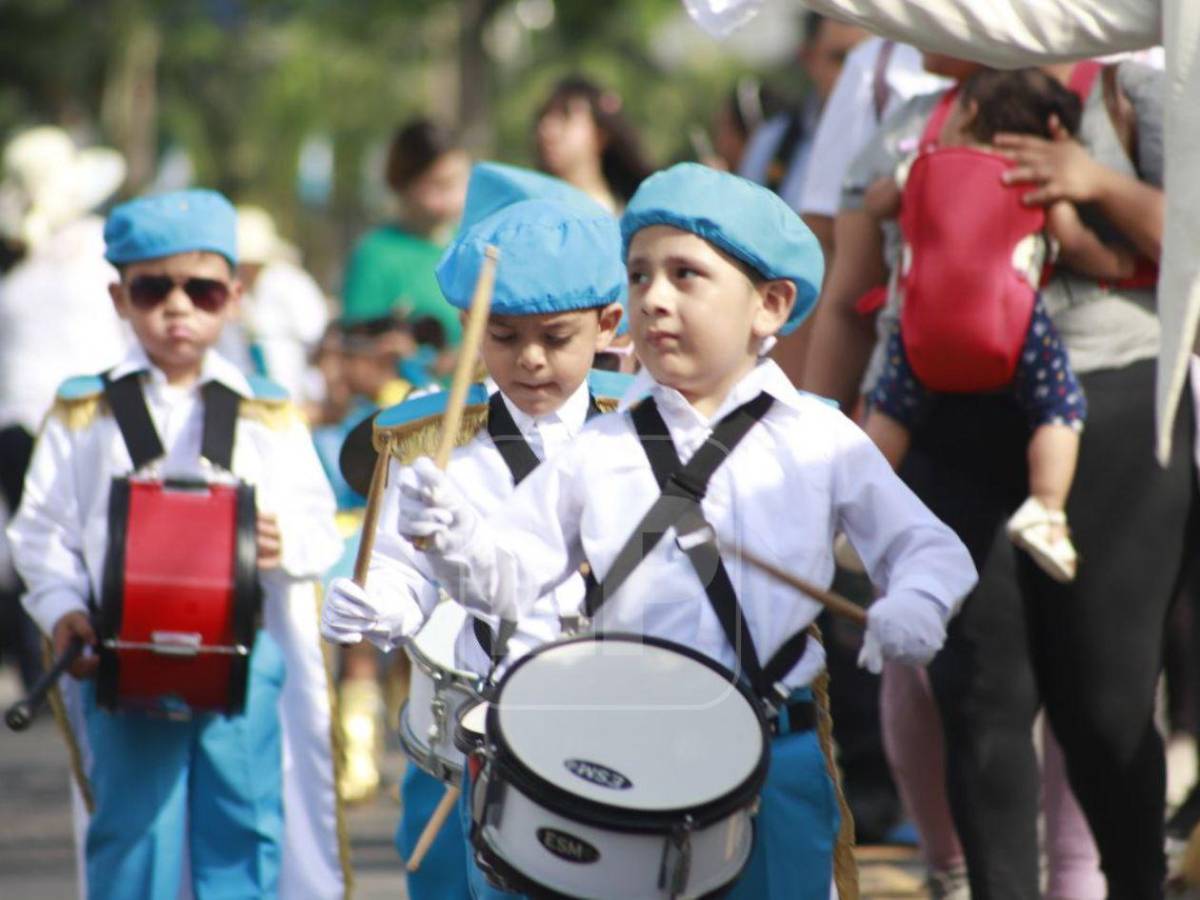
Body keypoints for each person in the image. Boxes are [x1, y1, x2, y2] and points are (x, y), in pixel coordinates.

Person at [395, 162, 977, 898]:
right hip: (621, 760)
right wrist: (453, 541)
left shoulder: (821, 438)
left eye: (685, 276)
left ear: (769, 304)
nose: (654, 299)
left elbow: (930, 548)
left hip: (775, 763)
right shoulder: (596, 449)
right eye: (638, 277)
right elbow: (508, 576)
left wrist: (917, 604)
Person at [809, 50, 1185, 897]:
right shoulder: (904, 130)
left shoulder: (1135, 93)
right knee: (978, 701)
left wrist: (1092, 180)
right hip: (949, 426)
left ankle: (1133, 884)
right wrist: (805, 446)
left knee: (1105, 704)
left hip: (1110, 418)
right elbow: (848, 296)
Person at [6, 189, 346, 899]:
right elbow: (41, 531)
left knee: (244, 829)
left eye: (204, 289)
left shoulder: (267, 412)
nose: (178, 308)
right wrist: (63, 604)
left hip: (244, 660)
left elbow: (320, 526)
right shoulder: (83, 412)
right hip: (124, 663)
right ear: (118, 296)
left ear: (235, 295)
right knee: (135, 841)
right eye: (153, 288)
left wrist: (282, 542)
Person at [321, 164, 627, 900]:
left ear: (607, 326)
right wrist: (382, 604)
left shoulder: (639, 429)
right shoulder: (435, 438)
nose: (529, 358)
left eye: (555, 337)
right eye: (505, 335)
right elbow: (403, 569)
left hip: (615, 727)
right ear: (469, 326)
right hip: (479, 726)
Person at [861, 68, 1140, 582]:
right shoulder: (1033, 179)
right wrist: (1120, 265)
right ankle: (1047, 510)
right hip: (1012, 324)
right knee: (1058, 404)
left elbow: (877, 205)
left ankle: (860, 516)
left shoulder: (921, 164)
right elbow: (1075, 245)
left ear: (967, 112)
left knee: (892, 405)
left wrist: (897, 190)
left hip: (920, 323)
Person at [0, 126, 130, 693]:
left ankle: (45, 665)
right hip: (76, 415)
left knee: (45, 539)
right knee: (72, 538)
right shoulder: (97, 247)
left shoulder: (23, 260)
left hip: (50, 417)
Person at [343, 118, 470, 347]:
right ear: (405, 182)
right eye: (439, 185)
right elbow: (358, 344)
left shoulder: (474, 246)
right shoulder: (377, 253)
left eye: (459, 181)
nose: (453, 196)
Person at [737, 13, 869, 211]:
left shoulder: (894, 138)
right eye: (840, 59)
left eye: (866, 58)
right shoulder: (773, 142)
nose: (855, 73)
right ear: (808, 58)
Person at [535, 75, 654, 212]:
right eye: (544, 118)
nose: (547, 131)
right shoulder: (531, 208)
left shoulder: (636, 214)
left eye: (564, 118)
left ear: (600, 134)